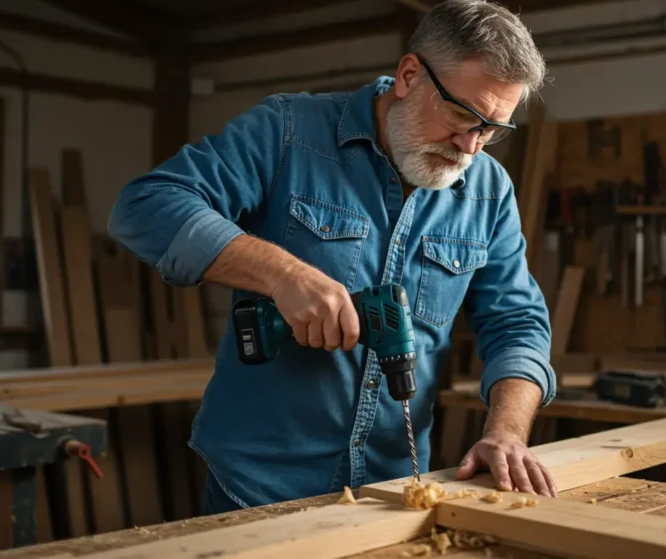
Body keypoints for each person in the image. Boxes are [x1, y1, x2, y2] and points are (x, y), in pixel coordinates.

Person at [107, 0, 558, 515]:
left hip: (392, 496)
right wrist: (283, 274)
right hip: (257, 489)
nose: (471, 146)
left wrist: (506, 433)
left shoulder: (488, 191)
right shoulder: (288, 132)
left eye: (493, 128)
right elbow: (144, 206)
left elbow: (518, 321)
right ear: (409, 74)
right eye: (462, 114)